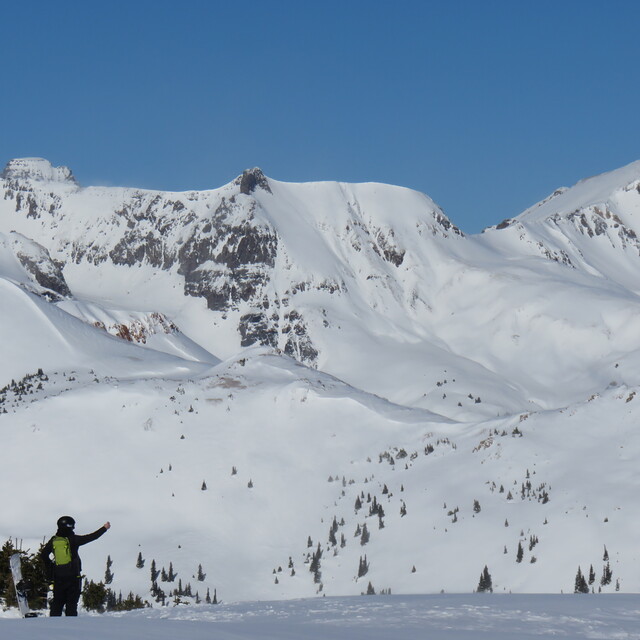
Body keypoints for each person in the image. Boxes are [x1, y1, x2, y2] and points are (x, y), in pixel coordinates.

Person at [40, 516, 111, 616]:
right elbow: (91, 537)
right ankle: (71, 628)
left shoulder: (54, 540)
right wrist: (104, 528)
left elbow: (43, 555)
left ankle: (53, 627)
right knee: (71, 605)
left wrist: (51, 567)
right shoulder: (73, 539)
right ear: (70, 526)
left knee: (57, 604)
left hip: (58, 577)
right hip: (73, 577)